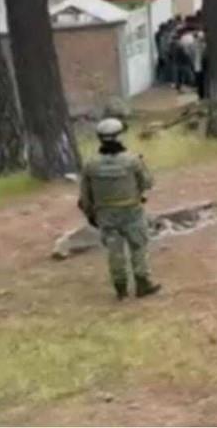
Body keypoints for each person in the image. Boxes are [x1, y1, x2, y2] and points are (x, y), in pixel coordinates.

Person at [77, 118, 160, 300]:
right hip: (132, 211)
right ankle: (142, 283)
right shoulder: (132, 161)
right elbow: (147, 182)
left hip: (106, 214)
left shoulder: (91, 164)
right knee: (138, 247)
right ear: (120, 137)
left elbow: (85, 195)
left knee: (114, 251)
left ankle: (120, 288)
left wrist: (91, 214)